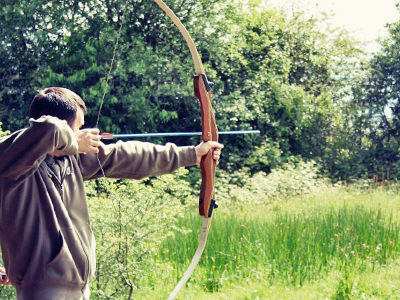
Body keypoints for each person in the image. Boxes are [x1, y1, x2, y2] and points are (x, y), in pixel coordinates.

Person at [0, 87, 223, 300]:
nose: (83, 133)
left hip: (78, 290)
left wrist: (192, 155)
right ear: (67, 130)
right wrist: (73, 142)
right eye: (78, 127)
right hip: (43, 291)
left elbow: (127, 156)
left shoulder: (69, 159)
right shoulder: (14, 161)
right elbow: (48, 130)